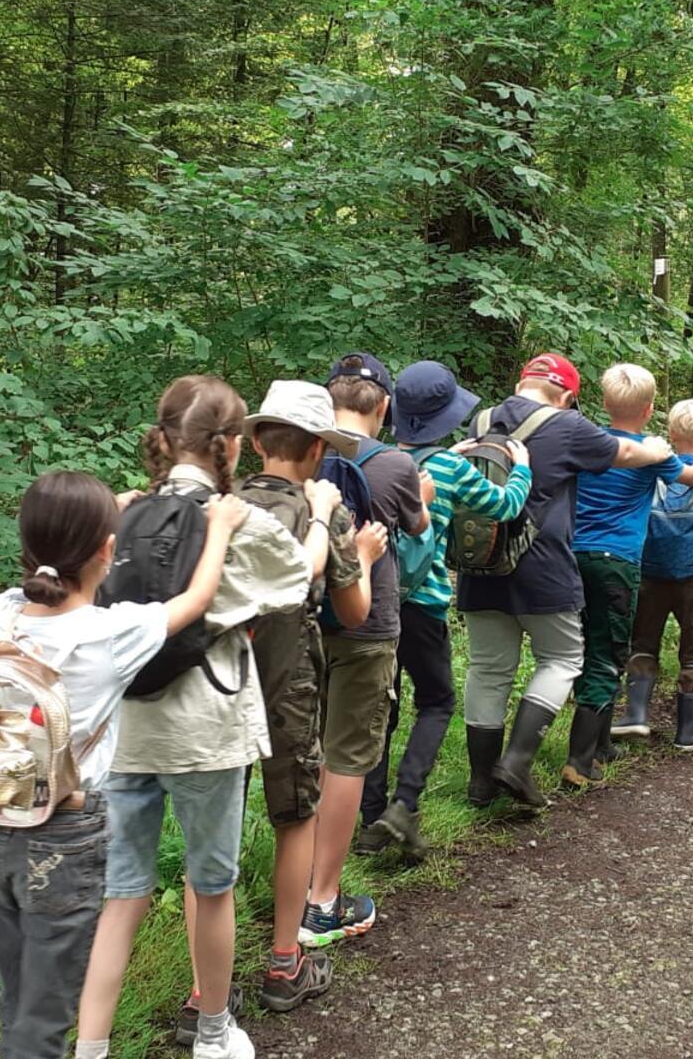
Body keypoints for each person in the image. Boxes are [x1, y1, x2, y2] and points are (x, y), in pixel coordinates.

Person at [77, 376, 311, 1059]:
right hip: (206, 727)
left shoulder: (121, 515)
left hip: (126, 727)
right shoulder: (239, 519)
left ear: (162, 438)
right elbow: (295, 581)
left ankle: (90, 1047)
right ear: (231, 446)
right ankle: (212, 1032)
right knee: (212, 886)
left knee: (122, 893)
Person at [0, 471, 243, 1059]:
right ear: (107, 551)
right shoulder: (110, 634)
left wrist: (104, 517)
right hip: (63, 838)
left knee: (19, 996)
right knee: (48, 1013)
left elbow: (33, 582)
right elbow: (194, 602)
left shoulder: (4, 617)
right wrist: (219, 528)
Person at [458, 352, 677, 809]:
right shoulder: (566, 424)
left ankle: (480, 783)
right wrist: (658, 450)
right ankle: (516, 762)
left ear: (522, 383)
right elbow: (628, 453)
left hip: (480, 565)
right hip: (542, 567)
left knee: (488, 668)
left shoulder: (480, 421)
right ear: (567, 395)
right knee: (561, 659)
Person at [236, 381, 389, 1013]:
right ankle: (284, 960)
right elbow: (355, 612)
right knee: (295, 813)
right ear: (321, 450)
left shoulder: (221, 503)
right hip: (289, 683)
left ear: (254, 442)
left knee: (215, 820)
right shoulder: (322, 511)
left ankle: (203, 989)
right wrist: (367, 557)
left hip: (219, 685)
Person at [358, 360, 532, 856]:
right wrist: (522, 470)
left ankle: (371, 821)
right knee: (436, 701)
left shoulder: (382, 461)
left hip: (380, 602)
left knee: (381, 711)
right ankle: (404, 805)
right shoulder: (451, 469)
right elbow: (503, 506)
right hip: (426, 605)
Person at [302, 352, 430, 949]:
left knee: (306, 749)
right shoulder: (397, 463)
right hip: (368, 623)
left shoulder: (301, 456)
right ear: (383, 407)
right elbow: (420, 525)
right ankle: (323, 897)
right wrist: (420, 494)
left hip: (301, 623)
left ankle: (291, 877)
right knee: (348, 757)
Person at [564, 363, 693, 788]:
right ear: (650, 409)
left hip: (571, 555)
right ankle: (581, 761)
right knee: (609, 651)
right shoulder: (653, 453)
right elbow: (689, 476)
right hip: (616, 560)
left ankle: (600, 743)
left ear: (604, 403)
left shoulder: (585, 441)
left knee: (586, 644)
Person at [615, 397, 693, 750]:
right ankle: (688, 730)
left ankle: (636, 714)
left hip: (649, 571)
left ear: (670, 432)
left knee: (643, 640)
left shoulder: (652, 465)